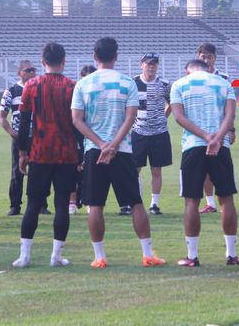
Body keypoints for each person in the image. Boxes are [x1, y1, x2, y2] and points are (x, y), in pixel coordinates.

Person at [71, 37, 165, 269]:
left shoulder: (83, 83)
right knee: (136, 203)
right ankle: (147, 254)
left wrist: (102, 144)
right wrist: (113, 144)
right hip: (122, 150)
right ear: (116, 57)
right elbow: (131, 116)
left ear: (95, 57)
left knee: (95, 205)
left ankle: (99, 257)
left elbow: (76, 119)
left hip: (95, 151)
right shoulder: (127, 82)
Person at [12, 42, 78, 268]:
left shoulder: (31, 85)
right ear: (64, 61)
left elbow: (24, 123)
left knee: (33, 203)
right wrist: (79, 153)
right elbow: (78, 123)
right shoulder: (71, 86)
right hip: (66, 153)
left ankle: (25, 256)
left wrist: (22, 152)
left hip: (40, 152)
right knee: (62, 204)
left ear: (42, 62)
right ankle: (56, 256)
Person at [171, 59, 239, 267]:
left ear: (188, 70)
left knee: (192, 201)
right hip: (221, 147)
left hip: (193, 146)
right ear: (208, 69)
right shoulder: (223, 83)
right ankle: (231, 254)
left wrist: (204, 136)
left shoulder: (179, 84)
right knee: (226, 199)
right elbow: (230, 115)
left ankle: (192, 256)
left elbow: (178, 117)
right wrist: (217, 138)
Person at [123, 53, 172, 216]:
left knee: (156, 169)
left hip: (159, 133)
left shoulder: (164, 84)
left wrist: (163, 117)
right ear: (141, 64)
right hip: (139, 132)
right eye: (148, 63)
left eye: (154, 63)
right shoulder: (132, 83)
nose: (151, 66)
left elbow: (172, 102)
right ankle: (134, 202)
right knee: (134, 169)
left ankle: (154, 204)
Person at [0, 60, 48, 217]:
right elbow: (2, 117)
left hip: (38, 137)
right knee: (17, 171)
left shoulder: (40, 90)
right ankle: (15, 205)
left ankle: (41, 204)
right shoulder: (11, 91)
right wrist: (11, 132)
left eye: (34, 70)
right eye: (28, 70)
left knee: (39, 170)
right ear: (20, 73)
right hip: (20, 137)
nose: (32, 73)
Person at [195, 43, 235, 214]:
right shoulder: (192, 79)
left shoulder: (224, 78)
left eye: (209, 56)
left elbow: (230, 108)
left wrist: (231, 129)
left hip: (220, 132)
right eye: (203, 56)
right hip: (199, 132)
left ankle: (224, 201)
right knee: (203, 170)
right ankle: (210, 203)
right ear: (198, 57)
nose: (206, 59)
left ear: (215, 58)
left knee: (220, 169)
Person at [69, 65, 96, 214]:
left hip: (94, 138)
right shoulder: (76, 94)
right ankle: (72, 203)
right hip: (77, 138)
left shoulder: (99, 95)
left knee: (90, 171)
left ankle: (89, 201)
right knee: (74, 169)